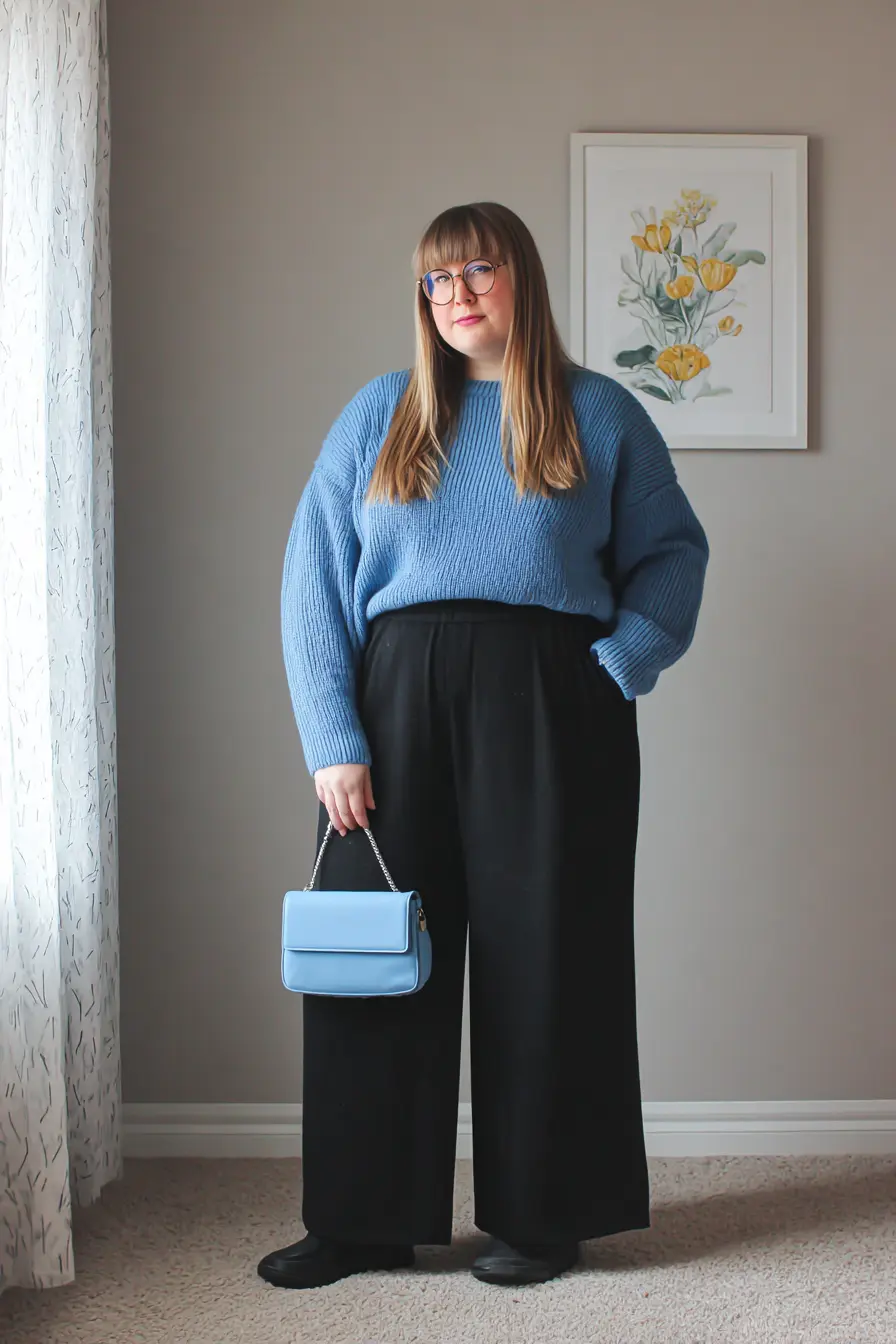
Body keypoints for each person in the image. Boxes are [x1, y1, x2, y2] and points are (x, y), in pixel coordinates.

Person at [261, 201, 709, 1292]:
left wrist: (619, 663)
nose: (456, 297)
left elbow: (672, 553)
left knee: (552, 957)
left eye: (477, 273)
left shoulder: (597, 414)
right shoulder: (381, 414)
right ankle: (361, 1221)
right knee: (375, 961)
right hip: (396, 698)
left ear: (522, 279)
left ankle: (541, 1215)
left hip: (557, 703)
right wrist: (332, 738)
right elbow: (311, 584)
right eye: (435, 282)